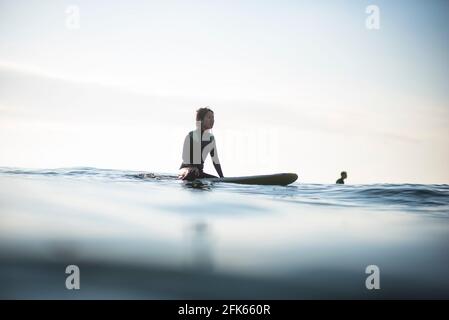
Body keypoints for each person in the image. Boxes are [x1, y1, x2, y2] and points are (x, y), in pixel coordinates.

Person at [178, 107, 224, 181]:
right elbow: (185, 156)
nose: (212, 120)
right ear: (201, 120)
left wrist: (222, 178)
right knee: (191, 173)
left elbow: (215, 160)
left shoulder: (211, 139)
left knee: (216, 181)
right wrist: (191, 167)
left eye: (213, 118)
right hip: (185, 169)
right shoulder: (192, 135)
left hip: (199, 172)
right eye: (209, 117)